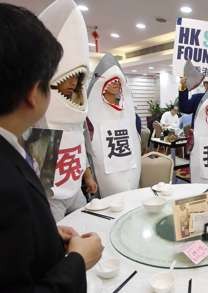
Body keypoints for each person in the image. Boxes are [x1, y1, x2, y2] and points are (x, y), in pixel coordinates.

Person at [0, 3, 102, 291]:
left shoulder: (11, 149)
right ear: (34, 93)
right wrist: (78, 261)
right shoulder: (9, 188)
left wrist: (47, 234)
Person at [38, 0, 97, 221]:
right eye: (68, 76)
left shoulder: (77, 109)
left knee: (86, 226)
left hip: (75, 189)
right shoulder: (42, 114)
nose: (73, 83)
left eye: (77, 77)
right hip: (52, 196)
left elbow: (80, 146)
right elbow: (40, 172)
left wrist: (88, 176)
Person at [86, 53, 141, 197]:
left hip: (130, 166)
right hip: (106, 171)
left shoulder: (127, 110)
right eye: (112, 81)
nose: (116, 83)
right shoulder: (91, 112)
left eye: (118, 81)